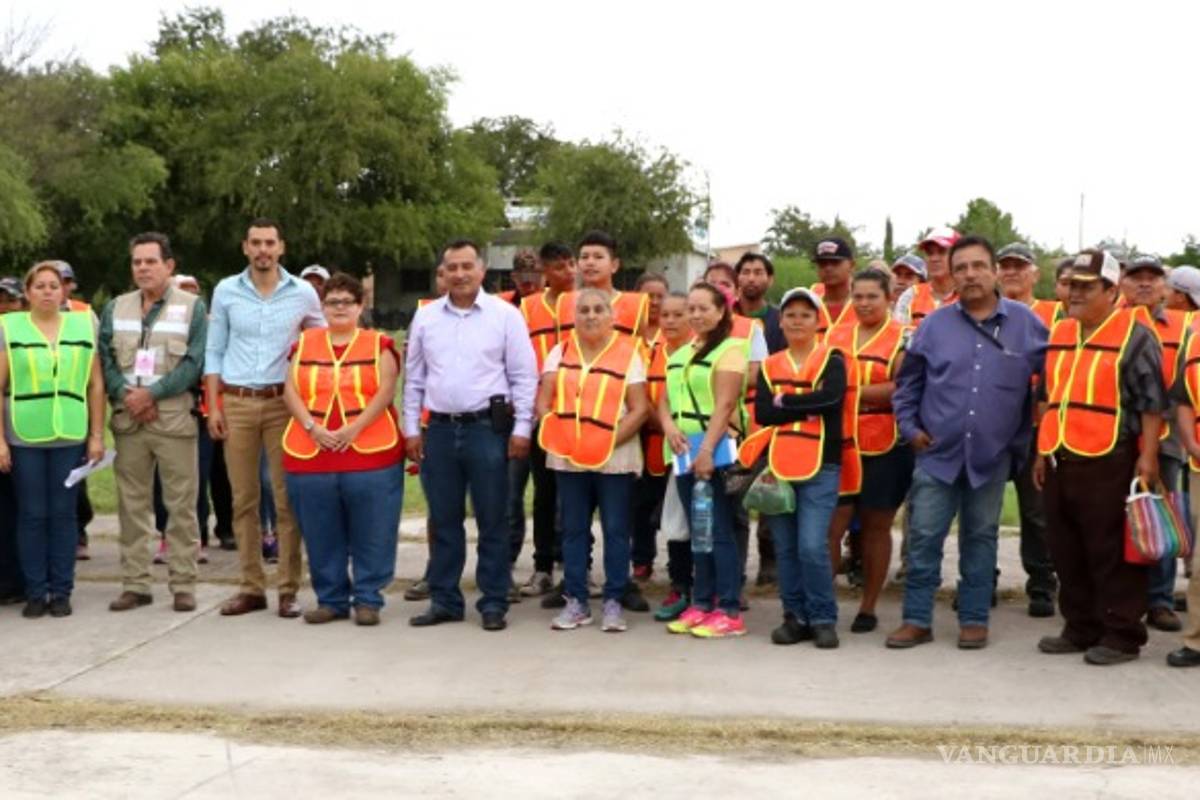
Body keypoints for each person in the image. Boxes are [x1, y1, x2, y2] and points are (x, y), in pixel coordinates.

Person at [888, 236, 1046, 650]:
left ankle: (974, 619)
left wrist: (1026, 440)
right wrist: (909, 429)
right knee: (923, 538)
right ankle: (917, 619)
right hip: (936, 454)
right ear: (951, 275)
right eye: (961, 268)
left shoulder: (1027, 325)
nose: (970, 274)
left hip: (992, 457)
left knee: (981, 539)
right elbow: (908, 385)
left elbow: (1051, 384)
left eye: (979, 266)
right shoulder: (934, 325)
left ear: (994, 270)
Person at [1033, 249, 1164, 666]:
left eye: (1086, 286)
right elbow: (1046, 398)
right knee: (1066, 548)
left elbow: (1151, 403)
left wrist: (1148, 458)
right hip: (1059, 457)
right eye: (1071, 284)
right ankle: (1080, 627)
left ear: (1111, 290)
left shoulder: (1135, 335)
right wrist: (1040, 450)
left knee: (1111, 552)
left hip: (1111, 458)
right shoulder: (1060, 331)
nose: (1074, 292)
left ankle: (1122, 635)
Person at [403, 239, 537, 632]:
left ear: (482, 270)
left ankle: (493, 601)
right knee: (444, 520)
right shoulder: (426, 318)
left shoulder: (505, 316)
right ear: (442, 273)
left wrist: (523, 428)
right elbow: (414, 379)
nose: (460, 274)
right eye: (452, 268)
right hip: (440, 431)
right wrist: (412, 429)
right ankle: (445, 600)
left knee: (493, 519)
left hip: (487, 430)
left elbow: (524, 377)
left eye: (467, 266)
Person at [205, 218, 324, 618]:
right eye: (255, 243)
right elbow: (214, 350)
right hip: (236, 401)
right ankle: (251, 586)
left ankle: (288, 589)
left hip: (281, 403)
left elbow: (321, 343)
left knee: (286, 500)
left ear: (281, 247)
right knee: (243, 501)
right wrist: (214, 405)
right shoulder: (226, 290)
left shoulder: (303, 292)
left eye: (269, 243)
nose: (263, 250)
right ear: (245, 247)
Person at [282, 273, 404, 626]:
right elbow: (289, 388)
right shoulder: (305, 342)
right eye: (332, 302)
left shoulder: (378, 343)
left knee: (374, 529)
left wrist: (354, 428)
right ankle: (331, 598)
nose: (339, 308)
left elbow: (386, 389)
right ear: (322, 307)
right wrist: (311, 426)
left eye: (347, 302)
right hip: (311, 450)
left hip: (370, 451)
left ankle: (368, 598)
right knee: (320, 530)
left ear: (360, 306)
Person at [101, 232, 208, 614]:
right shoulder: (115, 307)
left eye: (150, 261)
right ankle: (136, 583)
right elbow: (106, 361)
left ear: (169, 266)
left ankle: (183, 583)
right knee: (132, 505)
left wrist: (153, 394)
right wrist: (128, 395)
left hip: (173, 418)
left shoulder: (192, 308)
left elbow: (195, 362)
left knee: (180, 504)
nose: (142, 268)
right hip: (129, 420)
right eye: (136, 262)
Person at [537, 288, 649, 631]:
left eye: (599, 309)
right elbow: (543, 401)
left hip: (615, 453)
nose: (591, 315)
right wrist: (556, 433)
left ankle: (613, 601)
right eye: (583, 310)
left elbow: (640, 408)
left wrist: (605, 441)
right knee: (572, 529)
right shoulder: (560, 351)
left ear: (612, 316)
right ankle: (576, 601)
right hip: (568, 454)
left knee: (616, 529)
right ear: (574, 317)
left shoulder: (629, 354)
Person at [740, 287, 846, 648]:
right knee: (785, 547)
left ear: (818, 321)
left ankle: (822, 617)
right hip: (780, 464)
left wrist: (789, 400)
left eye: (805, 314)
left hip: (822, 465)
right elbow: (765, 412)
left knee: (812, 546)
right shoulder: (771, 364)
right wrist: (806, 404)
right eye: (790, 315)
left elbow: (832, 400)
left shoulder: (832, 357)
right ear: (781, 321)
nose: (797, 321)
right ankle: (794, 616)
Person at [0, 262, 105, 618]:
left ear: (64, 292)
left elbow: (95, 385)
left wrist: (95, 435)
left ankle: (61, 590)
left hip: (70, 433)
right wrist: (0, 441)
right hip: (24, 434)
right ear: (27, 293)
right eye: (39, 286)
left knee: (63, 515)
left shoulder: (82, 324)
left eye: (53, 285)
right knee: (31, 515)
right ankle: (34, 591)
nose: (47, 291)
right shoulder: (9, 327)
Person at [824, 269, 912, 633]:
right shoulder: (834, 334)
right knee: (832, 524)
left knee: (877, 526)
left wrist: (846, 394)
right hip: (839, 441)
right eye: (857, 296)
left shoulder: (903, 337)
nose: (862, 303)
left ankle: (869, 606)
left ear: (889, 297)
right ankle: (821, 603)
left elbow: (901, 385)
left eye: (871, 296)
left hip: (884, 442)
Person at [658, 282, 748, 639]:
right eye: (690, 309)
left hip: (714, 452)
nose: (695, 315)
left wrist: (707, 451)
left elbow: (725, 405)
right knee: (699, 532)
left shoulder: (731, 350)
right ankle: (702, 602)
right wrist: (668, 427)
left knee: (720, 531)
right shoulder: (680, 352)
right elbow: (663, 399)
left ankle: (728, 608)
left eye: (702, 308)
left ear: (722, 310)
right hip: (682, 452)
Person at [1121, 253, 1187, 633]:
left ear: (1165, 285)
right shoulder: (1111, 323)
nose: (1145, 283)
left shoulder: (1184, 327)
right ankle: (1122, 597)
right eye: (1136, 277)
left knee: (1160, 516)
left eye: (1153, 277)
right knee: (1118, 520)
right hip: (1115, 436)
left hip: (1166, 440)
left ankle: (1160, 600)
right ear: (1123, 284)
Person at [995, 242, 1058, 617]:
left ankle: (1041, 585)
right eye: (1006, 265)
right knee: (982, 507)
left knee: (1036, 512)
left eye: (1020, 265)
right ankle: (981, 580)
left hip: (1037, 425)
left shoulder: (1053, 313)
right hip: (996, 423)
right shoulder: (989, 313)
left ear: (1035, 273)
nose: (1012, 272)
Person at [511, 245, 573, 600]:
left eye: (571, 264)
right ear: (546, 271)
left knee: (576, 495)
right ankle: (542, 566)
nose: (568, 271)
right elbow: (519, 361)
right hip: (541, 410)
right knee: (545, 492)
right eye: (559, 266)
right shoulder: (528, 308)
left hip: (581, 410)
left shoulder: (585, 301)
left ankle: (575, 566)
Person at [645, 292, 695, 621]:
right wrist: (664, 424)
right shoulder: (653, 353)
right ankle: (679, 585)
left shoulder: (707, 352)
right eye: (666, 315)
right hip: (664, 447)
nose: (672, 321)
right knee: (673, 523)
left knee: (705, 521)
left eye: (680, 315)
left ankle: (710, 589)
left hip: (704, 448)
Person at [631, 272, 670, 582]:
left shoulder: (676, 337)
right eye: (649, 295)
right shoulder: (628, 336)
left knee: (669, 500)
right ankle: (642, 558)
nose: (655, 302)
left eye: (660, 296)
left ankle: (678, 564)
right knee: (638, 501)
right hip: (634, 431)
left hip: (665, 430)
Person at [1169, 322, 1200, 667]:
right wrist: (1190, 444)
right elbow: (1183, 400)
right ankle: (1196, 641)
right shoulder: (1194, 342)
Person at [556, 231, 647, 339]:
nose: (590, 262)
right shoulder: (564, 301)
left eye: (598, 257)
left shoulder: (636, 305)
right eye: (584, 257)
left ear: (614, 265)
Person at [0, 278, 24, 605]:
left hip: (18, 422)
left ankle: (14, 580)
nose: (4, 306)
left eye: (11, 301)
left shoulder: (25, 334)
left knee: (15, 507)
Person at [894, 227, 961, 325]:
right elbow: (899, 333)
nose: (934, 258)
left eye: (942, 252)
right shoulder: (912, 294)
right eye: (929, 253)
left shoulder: (969, 296)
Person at [734, 252, 785, 353]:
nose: (751, 279)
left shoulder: (781, 320)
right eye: (745, 272)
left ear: (770, 280)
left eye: (758, 273)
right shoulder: (725, 317)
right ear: (736, 279)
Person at [811, 237, 857, 331]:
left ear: (852, 265)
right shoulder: (808, 303)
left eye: (835, 262)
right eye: (822, 263)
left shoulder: (866, 303)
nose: (828, 268)